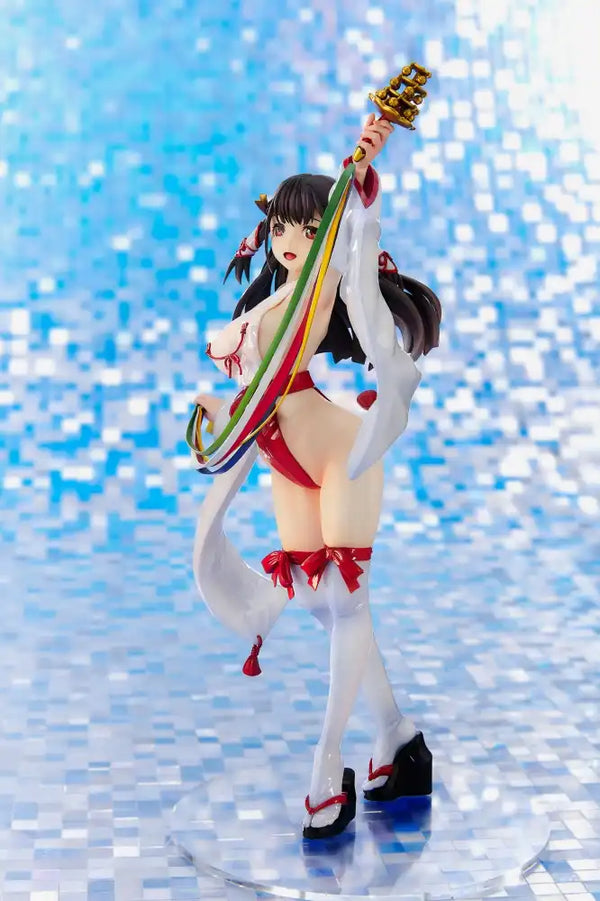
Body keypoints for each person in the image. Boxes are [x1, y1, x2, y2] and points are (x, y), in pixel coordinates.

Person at [191, 113, 442, 839]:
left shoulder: (322, 282)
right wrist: (216, 417)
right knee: (324, 605)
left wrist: (361, 170)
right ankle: (399, 737)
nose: (290, 241)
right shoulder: (273, 298)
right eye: (282, 227)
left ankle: (327, 767)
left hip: (338, 454)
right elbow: (252, 386)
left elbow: (350, 234)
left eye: (306, 228)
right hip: (284, 457)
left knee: (346, 603)